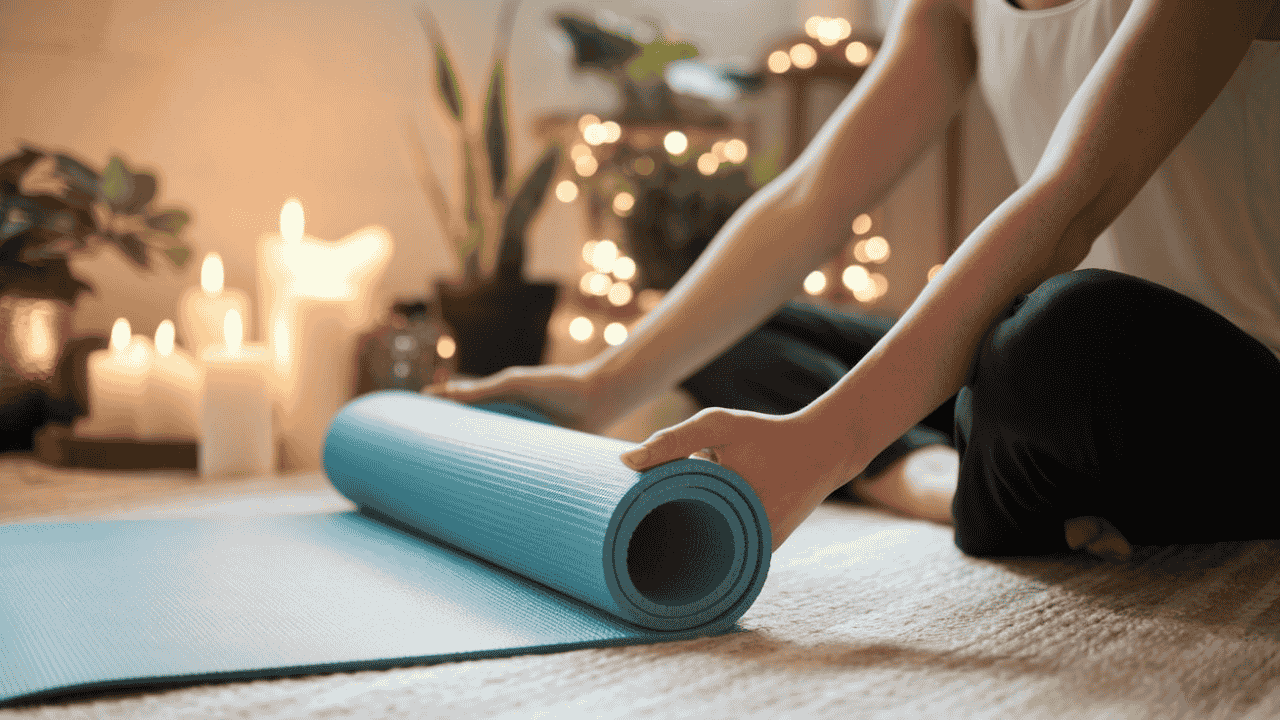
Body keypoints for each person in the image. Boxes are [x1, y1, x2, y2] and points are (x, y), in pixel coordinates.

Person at [427, 0, 1280, 558]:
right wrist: (596, 386)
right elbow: (810, 199)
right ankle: (935, 478)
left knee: (1048, 333)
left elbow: (1071, 200)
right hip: (1067, 386)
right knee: (730, 324)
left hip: (1223, 385)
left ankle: (963, 466)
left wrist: (826, 445)